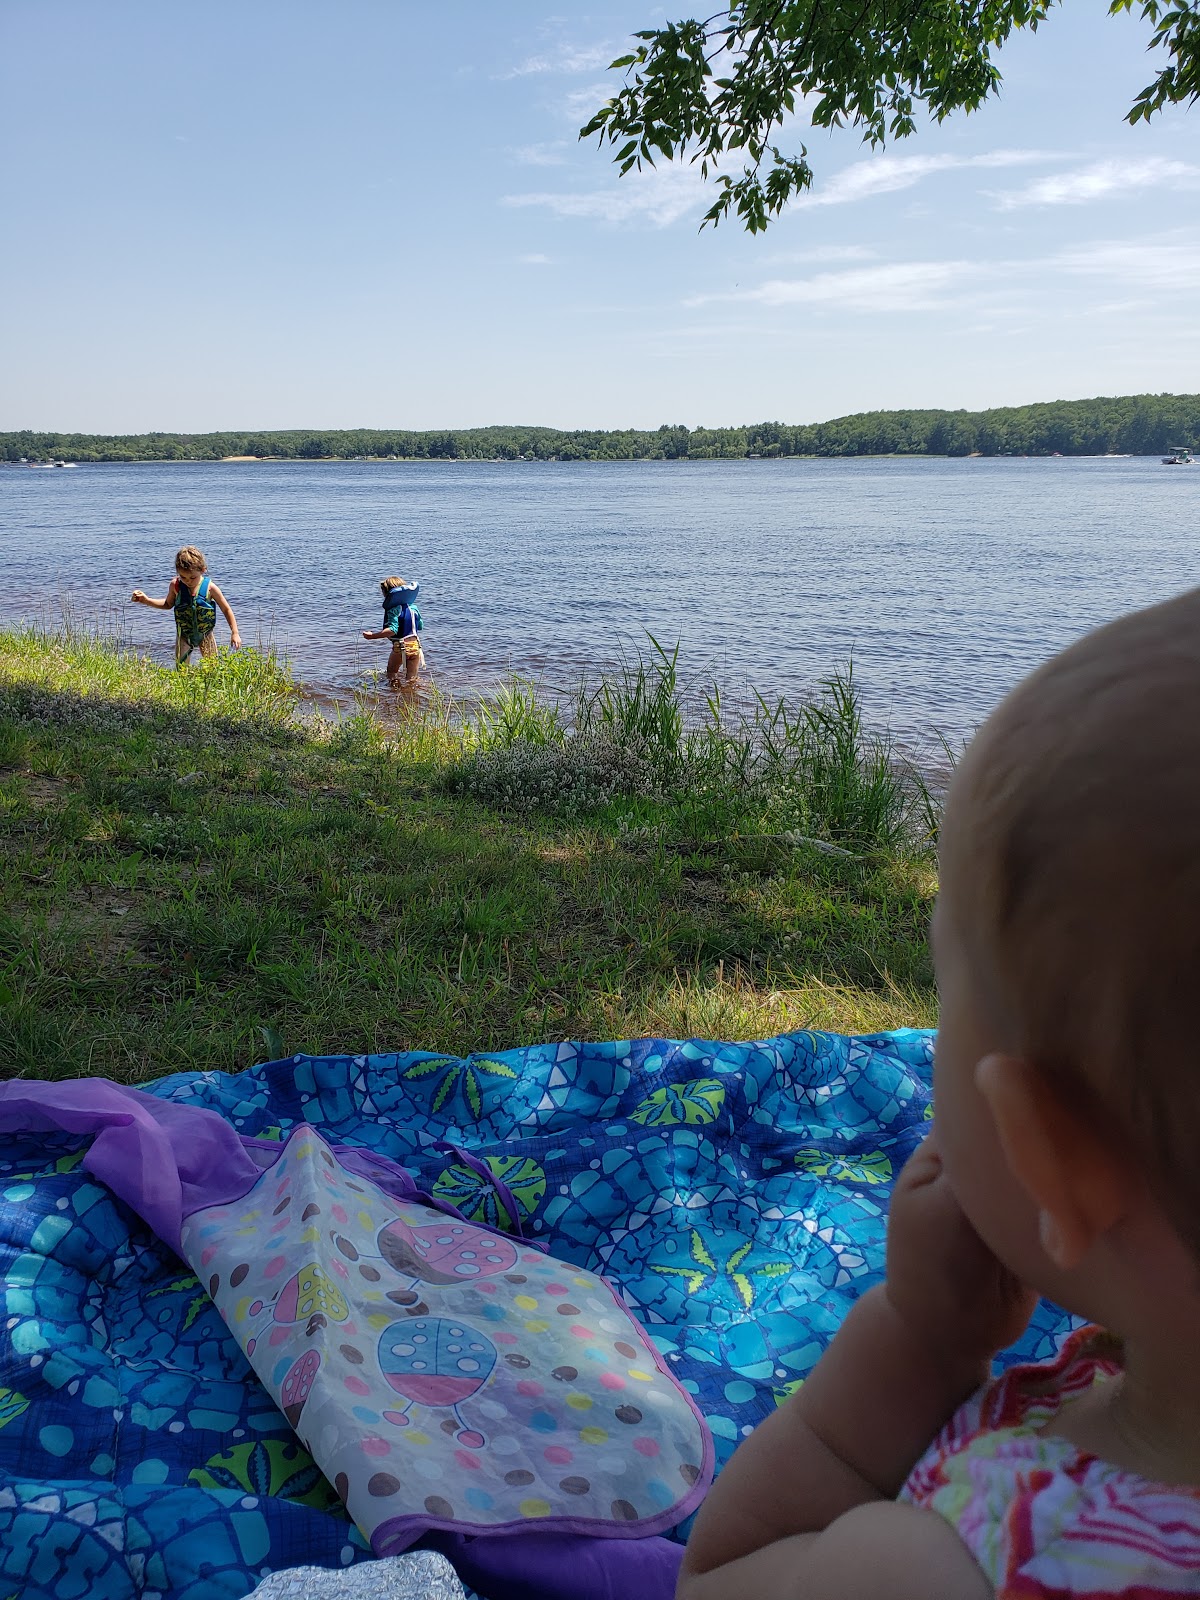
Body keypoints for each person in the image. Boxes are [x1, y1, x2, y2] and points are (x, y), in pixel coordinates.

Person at [678, 588, 1200, 1599]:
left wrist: (922, 1337)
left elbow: (718, 1577)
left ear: (1050, 1158)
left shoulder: (954, 1561)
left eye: (945, 1006)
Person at [131, 545, 241, 665]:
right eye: (183, 577)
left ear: (203, 570)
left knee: (212, 667)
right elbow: (167, 604)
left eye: (192, 577)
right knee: (182, 669)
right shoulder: (176, 585)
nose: (188, 581)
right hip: (183, 635)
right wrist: (146, 600)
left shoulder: (210, 588)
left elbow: (226, 609)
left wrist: (234, 633)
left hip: (205, 634)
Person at [362, 576, 423, 687]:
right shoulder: (414, 608)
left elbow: (392, 630)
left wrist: (372, 636)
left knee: (391, 672)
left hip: (400, 646)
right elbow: (420, 626)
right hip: (415, 646)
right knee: (412, 678)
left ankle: (394, 693)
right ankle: (412, 697)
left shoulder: (393, 609)